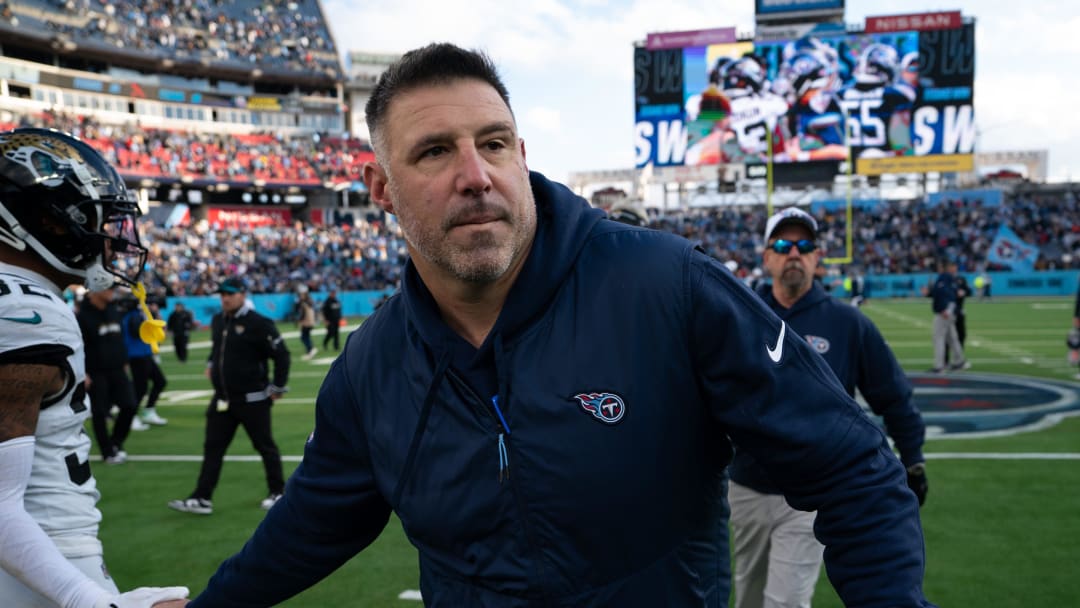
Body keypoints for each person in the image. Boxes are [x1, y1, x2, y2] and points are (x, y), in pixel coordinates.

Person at [167, 43, 933, 608]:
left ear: (521, 154)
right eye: (435, 152)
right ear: (381, 188)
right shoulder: (372, 367)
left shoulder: (664, 285)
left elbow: (854, 467)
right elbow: (313, 523)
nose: (476, 174)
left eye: (493, 143)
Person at [0, 128, 188, 606]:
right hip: (44, 562)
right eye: (89, 220)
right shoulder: (27, 312)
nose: (107, 237)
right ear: (39, 222)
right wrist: (92, 600)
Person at [730, 208, 929, 608]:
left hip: (812, 492)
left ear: (818, 258)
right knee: (747, 596)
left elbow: (892, 394)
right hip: (745, 487)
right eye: (783, 245)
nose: (794, 254)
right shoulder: (739, 314)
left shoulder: (848, 323)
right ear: (766, 257)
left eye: (805, 246)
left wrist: (913, 460)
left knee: (786, 602)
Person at [168, 277, 290, 516]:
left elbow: (282, 355)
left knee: (265, 446)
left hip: (253, 399)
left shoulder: (259, 323)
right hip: (223, 400)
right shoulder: (217, 320)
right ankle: (202, 497)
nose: (225, 297)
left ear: (243, 294)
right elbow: (217, 348)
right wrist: (211, 362)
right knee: (213, 448)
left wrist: (278, 387)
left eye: (230, 293)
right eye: (222, 293)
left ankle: (278, 492)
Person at [77, 285, 145, 454]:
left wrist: (124, 360)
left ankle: (116, 442)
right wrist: (82, 372)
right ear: (95, 290)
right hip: (95, 371)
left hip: (118, 368)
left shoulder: (113, 310)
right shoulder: (81, 316)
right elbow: (77, 346)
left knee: (130, 405)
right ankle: (107, 451)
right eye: (108, 288)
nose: (112, 292)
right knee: (100, 412)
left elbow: (119, 337)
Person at [122, 295, 169, 427]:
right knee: (140, 388)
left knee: (160, 381)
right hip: (136, 355)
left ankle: (148, 411)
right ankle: (130, 416)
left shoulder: (138, 315)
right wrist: (150, 319)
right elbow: (137, 332)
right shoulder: (133, 316)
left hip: (144, 354)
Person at [928, 260, 968, 373]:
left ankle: (939, 366)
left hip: (944, 313)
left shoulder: (944, 279)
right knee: (952, 338)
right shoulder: (950, 278)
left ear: (943, 267)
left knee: (938, 338)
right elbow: (954, 294)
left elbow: (949, 296)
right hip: (949, 312)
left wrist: (947, 310)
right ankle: (959, 361)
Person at [296, 289, 317, 360]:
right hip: (311, 322)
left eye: (301, 295)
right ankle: (311, 349)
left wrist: (299, 321)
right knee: (306, 336)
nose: (300, 296)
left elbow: (302, 314)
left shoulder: (304, 304)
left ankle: (310, 349)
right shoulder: (310, 302)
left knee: (303, 337)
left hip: (306, 323)